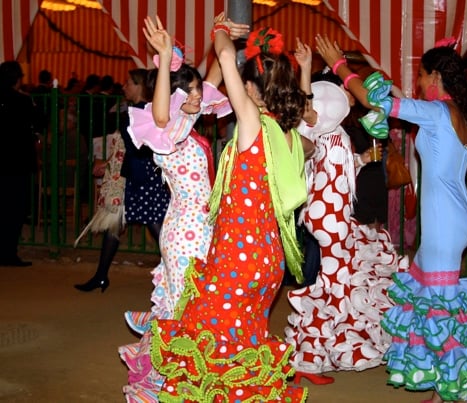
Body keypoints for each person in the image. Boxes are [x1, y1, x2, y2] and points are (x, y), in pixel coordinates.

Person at [315, 35, 467, 402]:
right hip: (457, 218)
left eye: (421, 75)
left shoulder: (435, 113)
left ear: (435, 76)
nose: (418, 82)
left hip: (444, 222)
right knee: (432, 300)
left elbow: (373, 100)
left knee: (444, 306)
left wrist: (340, 65)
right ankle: (441, 385)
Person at [145, 14, 312, 402]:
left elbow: (223, 54)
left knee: (207, 340)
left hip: (238, 255)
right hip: (269, 261)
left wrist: (221, 29)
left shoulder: (253, 122)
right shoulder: (290, 136)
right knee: (242, 343)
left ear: (252, 90)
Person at [117, 15, 248, 401]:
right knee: (184, 309)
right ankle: (161, 383)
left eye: (194, 91)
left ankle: (181, 377)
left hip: (198, 227)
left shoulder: (186, 124)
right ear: (173, 95)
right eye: (187, 92)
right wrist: (161, 59)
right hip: (185, 231)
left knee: (192, 306)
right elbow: (161, 112)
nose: (197, 96)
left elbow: (211, 81)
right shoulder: (166, 131)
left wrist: (217, 34)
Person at [285, 40, 407, 385]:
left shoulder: (334, 132)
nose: (353, 93)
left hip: (333, 217)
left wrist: (363, 160)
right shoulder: (320, 125)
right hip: (329, 219)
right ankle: (311, 359)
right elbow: (307, 113)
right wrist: (306, 69)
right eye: (346, 90)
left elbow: (336, 168)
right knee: (333, 290)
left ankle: (312, 355)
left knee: (330, 288)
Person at [73, 68, 170, 292]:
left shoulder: (141, 112)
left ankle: (181, 274)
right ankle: (100, 275)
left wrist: (110, 164)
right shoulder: (143, 110)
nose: (124, 86)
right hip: (138, 176)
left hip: (142, 177)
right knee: (116, 224)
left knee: (158, 229)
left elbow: (136, 148)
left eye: (129, 82)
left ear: (140, 86)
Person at [0, 61, 40, 267]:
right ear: (17, 79)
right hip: (17, 163)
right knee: (15, 210)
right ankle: (8, 252)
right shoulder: (22, 101)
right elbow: (38, 121)